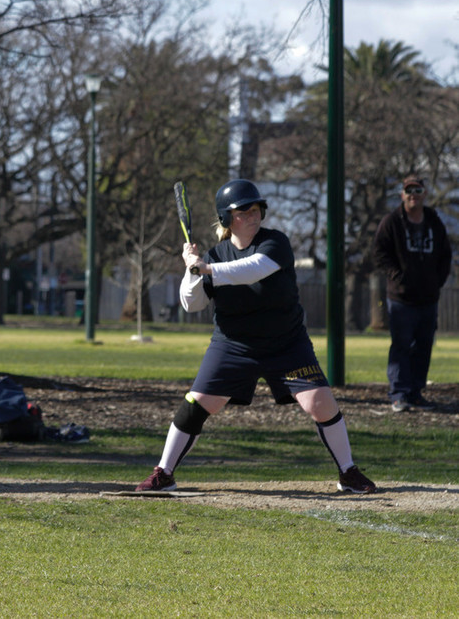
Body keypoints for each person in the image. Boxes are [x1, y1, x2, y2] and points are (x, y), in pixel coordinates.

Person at [135, 179, 376, 495]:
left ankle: (348, 472)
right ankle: (163, 474)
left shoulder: (275, 243)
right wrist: (191, 270)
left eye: (256, 208)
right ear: (226, 218)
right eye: (243, 210)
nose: (253, 214)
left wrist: (206, 269)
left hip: (286, 342)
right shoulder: (213, 255)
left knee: (319, 402)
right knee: (197, 403)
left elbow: (254, 269)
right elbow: (191, 304)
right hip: (233, 344)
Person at [373, 174, 451, 412]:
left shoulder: (434, 222)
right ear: (402, 195)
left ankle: (415, 393)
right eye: (409, 191)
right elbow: (379, 252)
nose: (413, 195)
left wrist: (436, 281)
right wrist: (397, 276)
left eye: (418, 190)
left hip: (428, 298)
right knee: (401, 346)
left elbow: (445, 255)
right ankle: (398, 395)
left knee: (424, 346)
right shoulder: (392, 222)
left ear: (424, 194)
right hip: (401, 299)